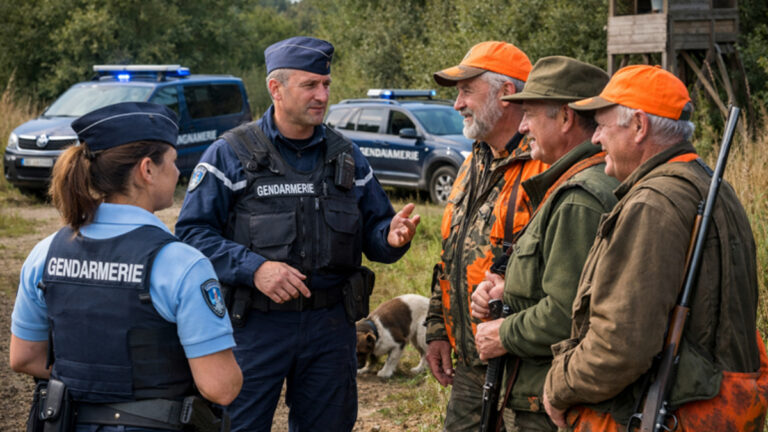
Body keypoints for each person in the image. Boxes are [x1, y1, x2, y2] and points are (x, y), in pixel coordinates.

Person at [175, 36, 420, 432]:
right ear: (276, 88)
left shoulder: (348, 157)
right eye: (310, 85)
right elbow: (191, 235)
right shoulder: (230, 155)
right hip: (254, 326)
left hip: (330, 328)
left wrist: (390, 238)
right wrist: (255, 269)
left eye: (325, 84)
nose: (322, 95)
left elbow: (375, 232)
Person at [541, 65, 768, 431]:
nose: (595, 138)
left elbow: (620, 346)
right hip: (724, 410)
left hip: (676, 412)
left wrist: (557, 387)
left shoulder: (652, 203)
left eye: (602, 125)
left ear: (639, 126)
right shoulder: (713, 188)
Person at [9, 101, 242, 432]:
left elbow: (24, 358)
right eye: (173, 162)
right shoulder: (182, 264)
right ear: (147, 170)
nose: (178, 173)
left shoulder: (45, 253)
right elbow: (221, 386)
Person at [470, 56, 617, 431]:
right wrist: (509, 292)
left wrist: (502, 333)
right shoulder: (571, 185)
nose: (522, 127)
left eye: (530, 115)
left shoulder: (580, 197)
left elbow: (568, 312)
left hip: (551, 402)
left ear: (566, 118)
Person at [424, 40, 549, 431]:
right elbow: (451, 253)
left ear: (507, 93)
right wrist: (438, 328)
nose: (457, 104)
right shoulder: (473, 159)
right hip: (471, 364)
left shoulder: (547, 165)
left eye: (466, 91)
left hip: (525, 370)